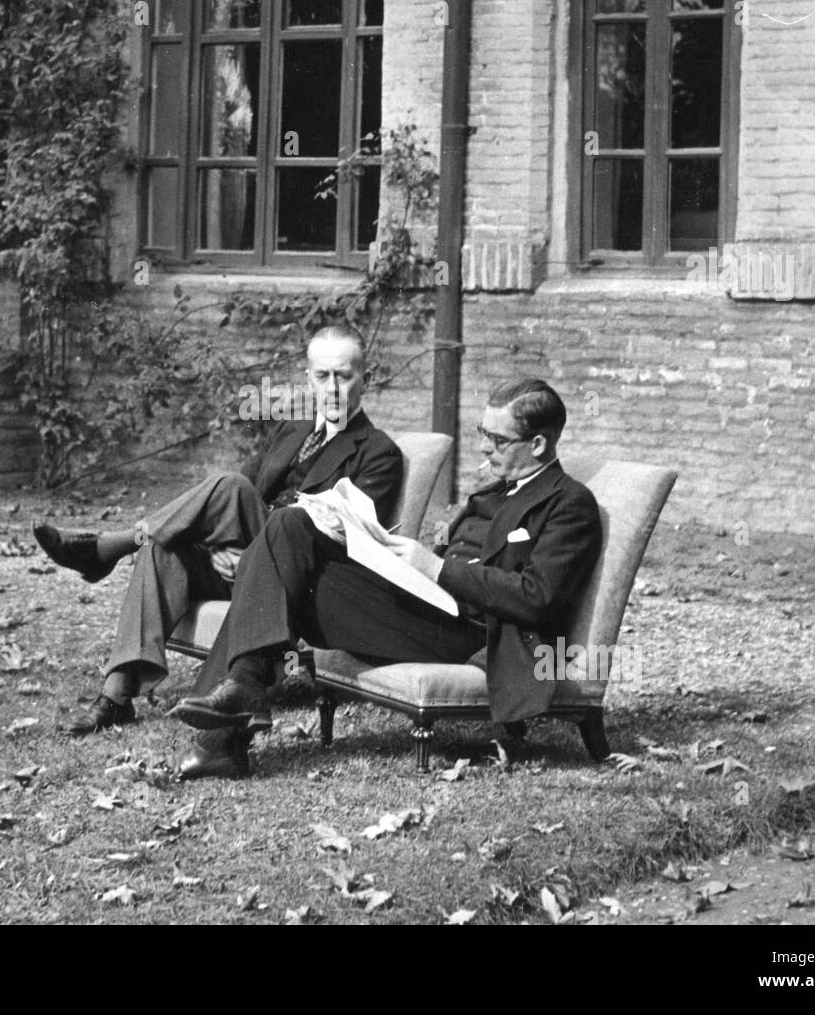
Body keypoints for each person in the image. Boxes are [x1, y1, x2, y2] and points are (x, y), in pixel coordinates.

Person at [170, 378, 602, 780]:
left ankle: (226, 728)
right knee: (288, 526)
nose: (484, 447)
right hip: (430, 610)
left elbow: (538, 597)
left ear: (540, 444)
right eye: (481, 432)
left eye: (498, 439)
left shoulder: (568, 504)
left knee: (278, 569)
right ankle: (242, 692)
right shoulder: (492, 492)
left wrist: (434, 569)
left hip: (476, 635)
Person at [33, 324, 403, 735]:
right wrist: (220, 549)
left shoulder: (378, 452)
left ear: (365, 380)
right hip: (246, 563)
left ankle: (109, 548)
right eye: (322, 376)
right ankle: (116, 696)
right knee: (164, 548)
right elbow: (225, 506)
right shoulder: (291, 430)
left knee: (230, 485)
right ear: (308, 379)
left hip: (302, 580)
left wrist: (257, 558)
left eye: (344, 375)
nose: (333, 388)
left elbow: (349, 544)